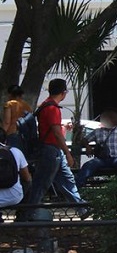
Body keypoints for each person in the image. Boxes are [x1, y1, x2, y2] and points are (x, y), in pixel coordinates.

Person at [26, 78, 86, 209]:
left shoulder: (45, 105)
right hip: (51, 151)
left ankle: (82, 209)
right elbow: (57, 133)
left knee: (67, 180)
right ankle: (26, 215)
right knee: (42, 184)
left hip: (53, 150)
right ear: (64, 93)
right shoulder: (53, 108)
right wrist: (68, 153)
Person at [75, 110, 117, 187]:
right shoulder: (97, 131)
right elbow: (84, 140)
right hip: (101, 159)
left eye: (112, 118)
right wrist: (87, 146)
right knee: (88, 165)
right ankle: (77, 188)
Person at [0, 128, 31, 207]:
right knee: (29, 181)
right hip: (14, 196)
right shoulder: (15, 151)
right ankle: (23, 214)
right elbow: (27, 178)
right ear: (5, 140)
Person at [2, 85, 33, 149]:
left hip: (11, 133)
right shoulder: (27, 106)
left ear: (10, 94)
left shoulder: (9, 104)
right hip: (23, 135)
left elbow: (7, 122)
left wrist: (2, 133)